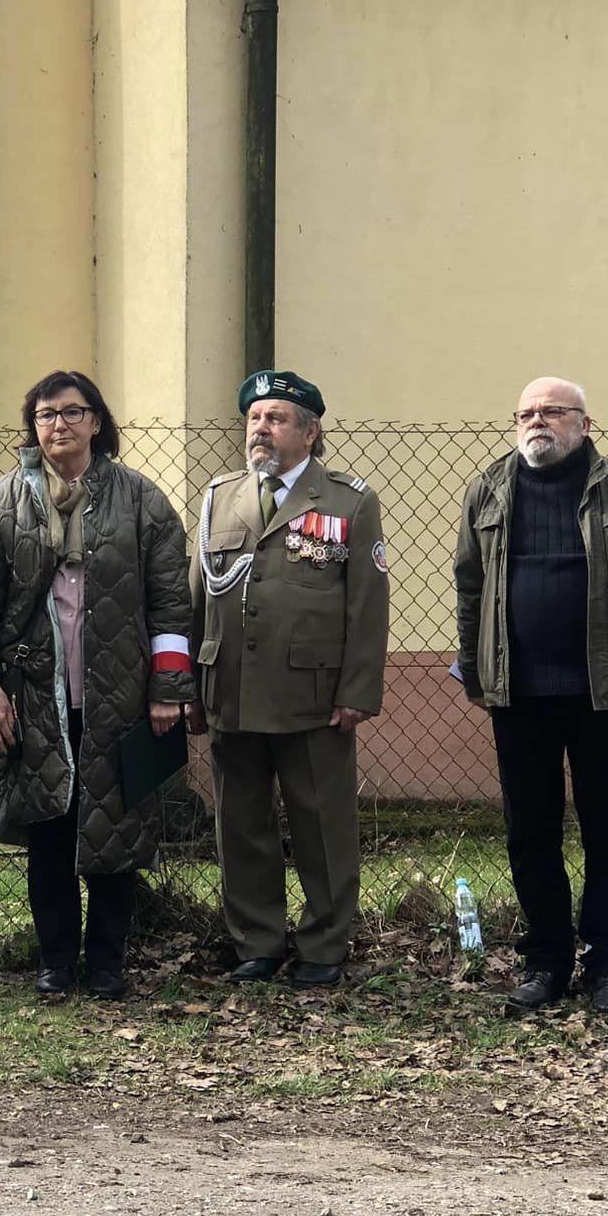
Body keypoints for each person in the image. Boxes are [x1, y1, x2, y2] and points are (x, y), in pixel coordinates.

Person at [0, 371, 195, 999]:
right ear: (32, 427)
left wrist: (168, 688)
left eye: (71, 412)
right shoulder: (5, 502)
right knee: (50, 833)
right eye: (45, 415)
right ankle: (56, 962)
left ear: (96, 421)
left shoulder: (141, 500)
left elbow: (172, 601)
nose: (58, 424)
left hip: (121, 695)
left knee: (117, 830)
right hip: (37, 697)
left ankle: (109, 964)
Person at [454, 377, 608, 1016]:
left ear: (584, 424)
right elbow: (470, 584)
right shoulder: (488, 488)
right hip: (519, 693)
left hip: (602, 693)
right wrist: (477, 666)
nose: (537, 421)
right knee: (531, 832)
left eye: (552, 411)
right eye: (526, 412)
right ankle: (546, 963)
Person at [188, 369, 389, 988]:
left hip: (313, 694)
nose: (260, 429)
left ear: (309, 431)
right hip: (232, 689)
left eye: (275, 418)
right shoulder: (220, 497)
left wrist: (357, 691)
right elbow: (196, 597)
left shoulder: (349, 502)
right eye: (254, 418)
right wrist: (187, 687)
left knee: (322, 825)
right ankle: (257, 942)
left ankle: (324, 945)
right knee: (241, 823)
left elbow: (367, 606)